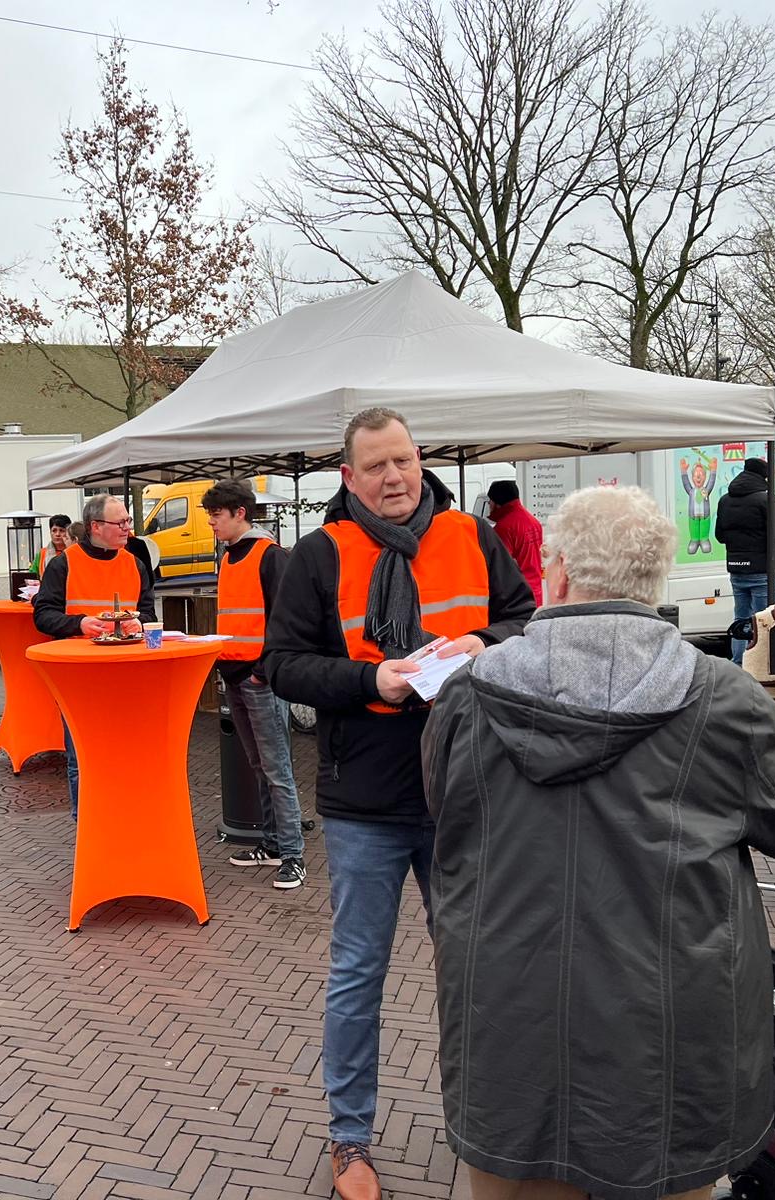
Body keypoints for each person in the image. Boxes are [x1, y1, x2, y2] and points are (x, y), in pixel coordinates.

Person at [422, 485, 775, 1200]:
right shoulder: (725, 701)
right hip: (671, 1035)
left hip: (509, 1018)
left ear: (557, 574)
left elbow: (444, 811)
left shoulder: (468, 695)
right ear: (654, 580)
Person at [262, 407, 535, 1200]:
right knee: (358, 973)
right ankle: (351, 1142)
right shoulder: (316, 557)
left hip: (466, 790)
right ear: (347, 478)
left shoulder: (472, 537)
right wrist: (366, 681)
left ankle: (490, 1127)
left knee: (479, 969)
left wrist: (484, 645)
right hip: (366, 800)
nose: (394, 478)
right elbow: (281, 666)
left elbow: (525, 618)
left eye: (404, 461)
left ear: (421, 463)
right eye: (376, 466)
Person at [203, 479, 307, 889]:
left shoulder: (270, 556)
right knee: (259, 764)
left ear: (239, 513)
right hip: (236, 674)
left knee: (276, 767)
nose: (211, 522)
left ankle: (292, 853)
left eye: (216, 514)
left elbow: (286, 620)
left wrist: (264, 668)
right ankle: (273, 842)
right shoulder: (228, 557)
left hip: (258, 678)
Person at [33, 493, 157, 817]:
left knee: (124, 752)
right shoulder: (64, 564)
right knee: (81, 757)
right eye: (121, 523)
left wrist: (137, 621)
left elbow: (148, 612)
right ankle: (86, 823)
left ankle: (121, 816)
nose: (128, 528)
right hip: (78, 677)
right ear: (95, 527)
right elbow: (43, 615)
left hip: (126, 675)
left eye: (128, 521)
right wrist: (80, 623)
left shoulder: (135, 563)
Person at [715, 456, 775, 663]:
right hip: (763, 572)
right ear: (764, 475)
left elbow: (720, 536)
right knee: (765, 622)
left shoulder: (725, 500)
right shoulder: (768, 499)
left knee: (741, 620)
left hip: (737, 571)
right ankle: (761, 669)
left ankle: (739, 664)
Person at [485, 480, 544, 605]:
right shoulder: (533, 521)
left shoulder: (504, 528)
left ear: (497, 503)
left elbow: (499, 566)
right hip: (536, 592)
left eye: (490, 500)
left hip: (517, 597)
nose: (489, 504)